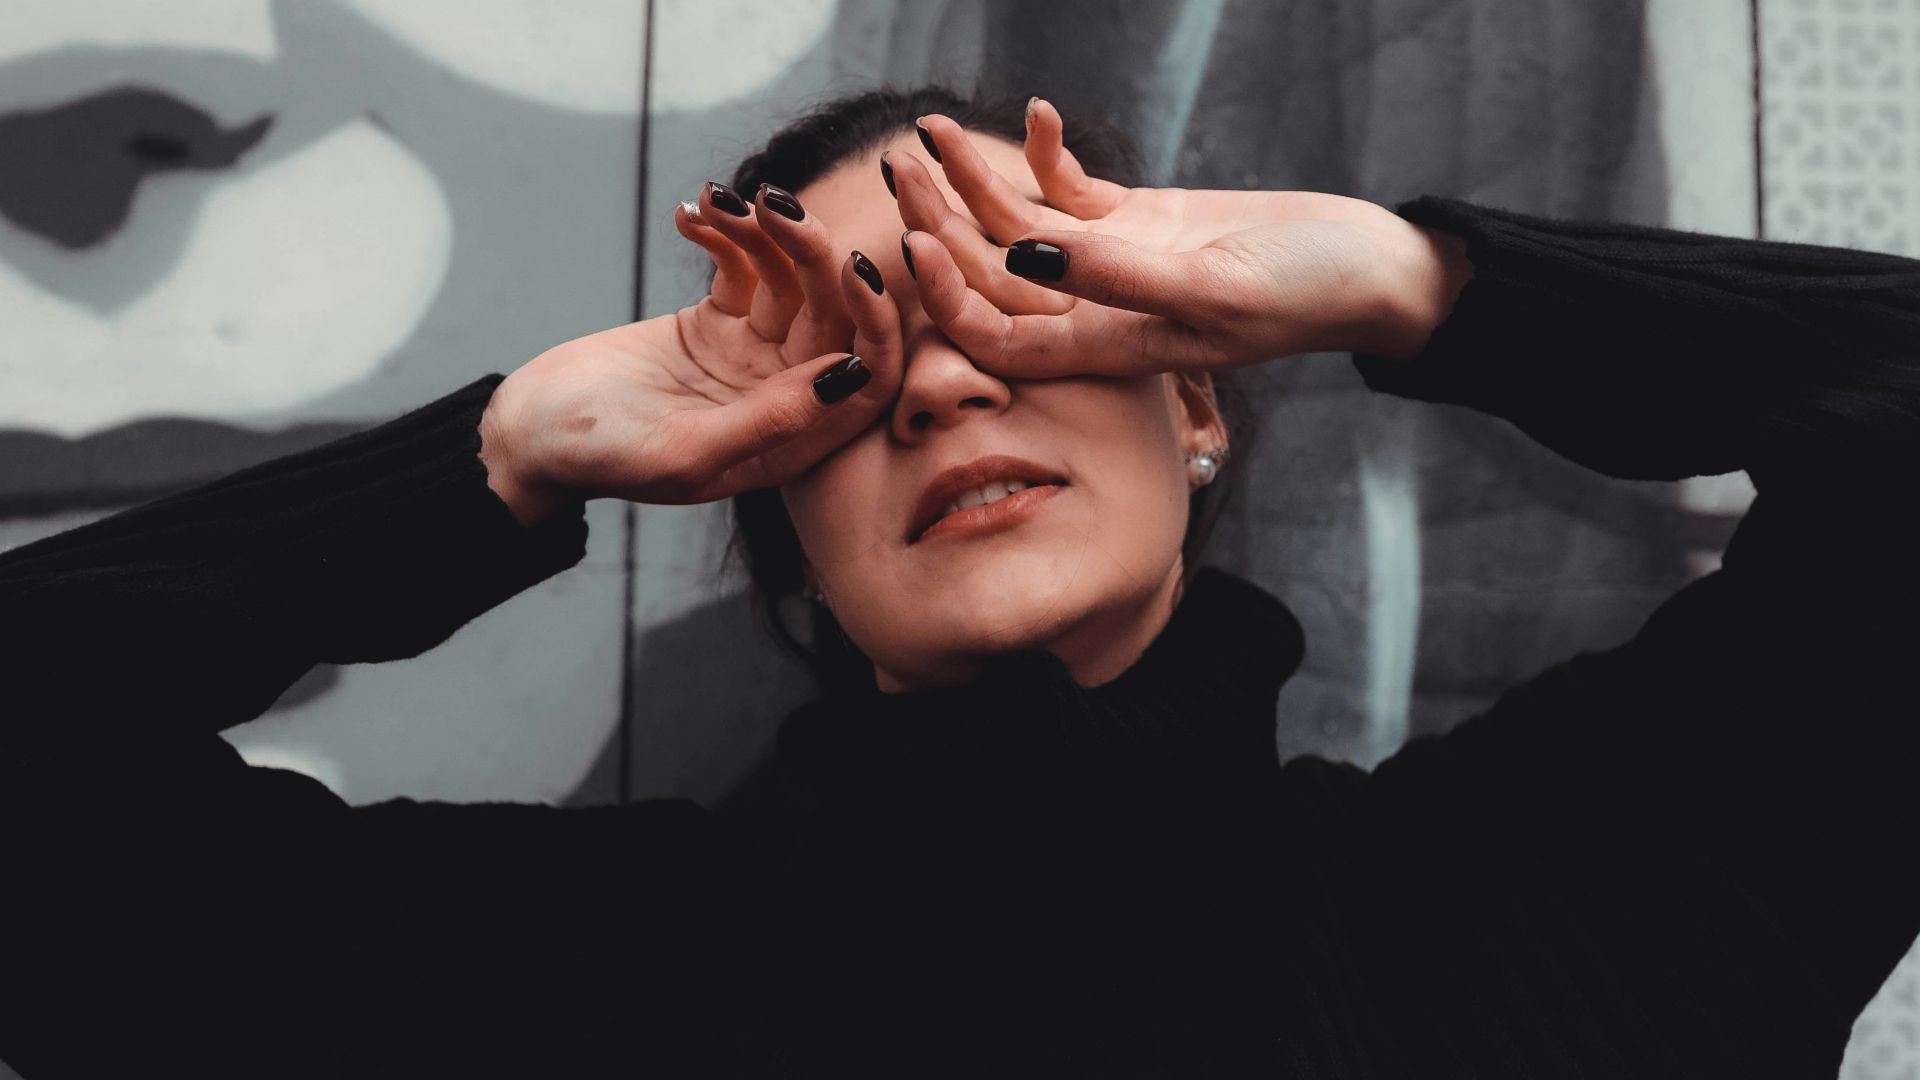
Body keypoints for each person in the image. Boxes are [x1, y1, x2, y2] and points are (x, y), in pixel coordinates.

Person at [2, 84, 1916, 1079]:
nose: (937, 378)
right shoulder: (521, 995)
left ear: (1203, 411)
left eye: (1040, 294)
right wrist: (495, 455)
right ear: (783, 534)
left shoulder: (1603, 882)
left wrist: (1420, 280)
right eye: (838, 363)